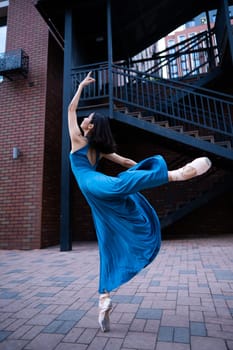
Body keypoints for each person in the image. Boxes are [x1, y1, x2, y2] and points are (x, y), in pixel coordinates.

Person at [68, 71, 212, 332]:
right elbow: (122, 163)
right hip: (95, 186)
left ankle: (104, 298)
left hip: (92, 191)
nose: (82, 119)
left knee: (108, 241)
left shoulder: (82, 141)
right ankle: (174, 174)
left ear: (89, 126)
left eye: (86, 118)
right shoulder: (86, 142)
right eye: (84, 117)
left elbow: (124, 161)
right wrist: (147, 175)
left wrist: (143, 174)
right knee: (122, 183)